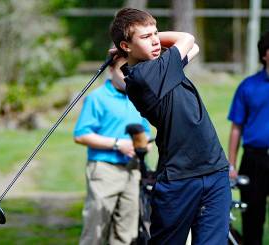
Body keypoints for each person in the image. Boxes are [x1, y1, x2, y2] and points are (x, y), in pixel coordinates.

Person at [109, 8, 231, 245]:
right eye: (146, 37)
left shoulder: (163, 67)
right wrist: (136, 44)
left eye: (156, 34)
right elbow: (187, 40)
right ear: (125, 46)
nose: (155, 41)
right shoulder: (143, 77)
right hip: (179, 179)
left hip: (214, 169)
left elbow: (191, 49)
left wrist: (141, 41)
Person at [74, 56, 151, 245]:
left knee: (127, 233)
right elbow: (81, 135)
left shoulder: (138, 98)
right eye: (122, 71)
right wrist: (117, 144)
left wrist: (144, 145)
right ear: (110, 71)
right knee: (95, 232)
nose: (127, 76)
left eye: (130, 70)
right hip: (104, 170)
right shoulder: (96, 98)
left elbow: (146, 132)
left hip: (133, 171)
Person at [228, 31, 269, 245]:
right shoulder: (248, 86)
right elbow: (236, 127)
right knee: (253, 217)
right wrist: (231, 165)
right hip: (254, 160)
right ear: (265, 55)